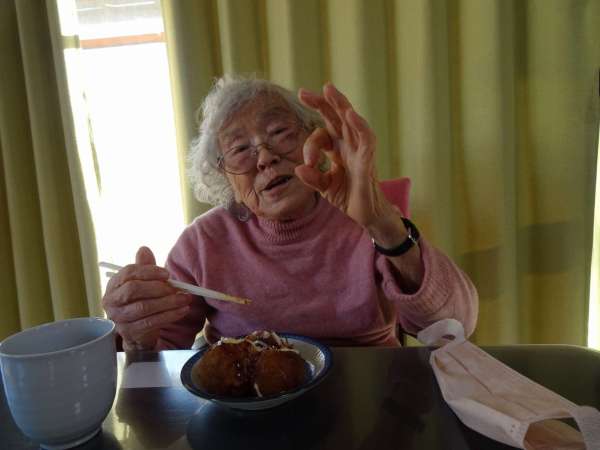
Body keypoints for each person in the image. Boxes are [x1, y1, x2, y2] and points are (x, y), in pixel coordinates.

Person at [102, 76, 478, 351]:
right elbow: (163, 354)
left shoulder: (366, 220)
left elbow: (455, 326)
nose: (265, 157)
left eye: (280, 132)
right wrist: (136, 334)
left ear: (312, 139)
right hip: (246, 403)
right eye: (240, 150)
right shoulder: (203, 243)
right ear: (222, 175)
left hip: (364, 396)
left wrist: (383, 223)